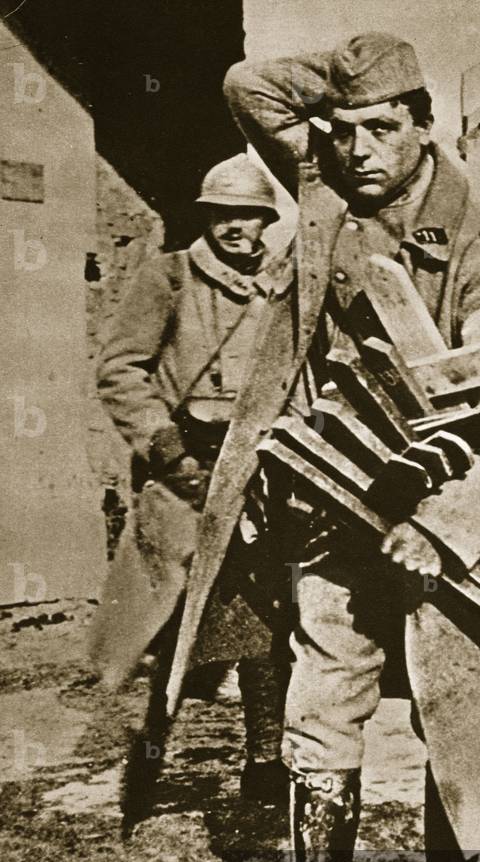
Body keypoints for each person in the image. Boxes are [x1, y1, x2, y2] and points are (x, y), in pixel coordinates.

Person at [194, 34, 480, 862]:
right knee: (317, 717)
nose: (358, 149)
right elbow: (250, 84)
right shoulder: (326, 191)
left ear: (423, 127)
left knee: (458, 727)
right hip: (331, 508)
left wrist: (446, 524)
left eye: (381, 128)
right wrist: (359, 79)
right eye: (344, 130)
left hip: (443, 524)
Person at [94, 154, 293, 803]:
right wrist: (171, 454)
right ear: (208, 218)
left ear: (266, 219)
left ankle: (265, 758)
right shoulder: (168, 277)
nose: (240, 228)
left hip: (258, 468)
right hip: (185, 465)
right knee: (169, 615)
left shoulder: (281, 284)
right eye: (226, 216)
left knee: (265, 615)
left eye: (251, 215)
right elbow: (121, 370)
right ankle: (152, 750)